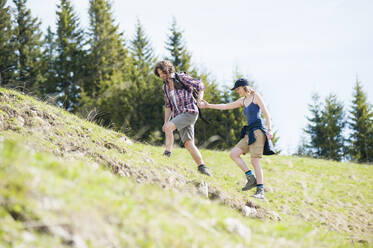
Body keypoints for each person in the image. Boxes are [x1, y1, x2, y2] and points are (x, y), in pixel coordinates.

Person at [199, 78, 274, 199]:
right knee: (233, 154)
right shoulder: (242, 100)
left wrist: (270, 129)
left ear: (244, 87)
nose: (237, 91)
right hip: (249, 132)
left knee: (255, 160)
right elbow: (225, 106)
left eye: (238, 89)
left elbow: (266, 113)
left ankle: (260, 191)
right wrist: (208, 105)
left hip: (258, 131)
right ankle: (251, 178)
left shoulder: (256, 97)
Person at [154, 60, 212, 176]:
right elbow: (168, 105)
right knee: (188, 144)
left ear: (168, 70)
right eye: (159, 74)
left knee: (169, 127)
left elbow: (200, 85)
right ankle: (203, 168)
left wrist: (199, 100)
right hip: (178, 115)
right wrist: (165, 122)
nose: (161, 76)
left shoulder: (181, 77)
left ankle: (167, 154)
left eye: (162, 73)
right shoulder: (165, 87)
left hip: (190, 112)